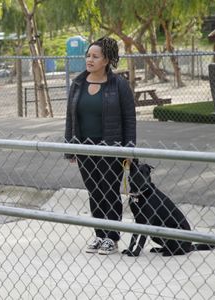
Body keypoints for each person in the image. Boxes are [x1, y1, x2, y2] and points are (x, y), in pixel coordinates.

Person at [64, 37, 136, 255]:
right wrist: (70, 149)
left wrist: (130, 149)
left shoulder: (119, 85)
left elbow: (129, 119)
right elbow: (71, 118)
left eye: (95, 56)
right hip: (85, 149)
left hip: (111, 148)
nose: (89, 60)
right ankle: (99, 235)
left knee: (109, 192)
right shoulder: (78, 83)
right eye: (88, 56)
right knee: (94, 191)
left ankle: (112, 237)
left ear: (106, 60)